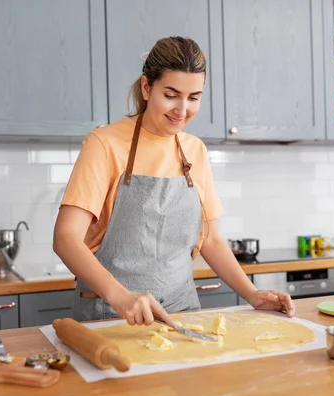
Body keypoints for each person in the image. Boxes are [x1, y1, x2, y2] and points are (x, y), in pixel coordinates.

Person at [53, 36, 295, 326]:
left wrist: (252, 294)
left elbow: (212, 240)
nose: (183, 110)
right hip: (112, 315)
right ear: (146, 88)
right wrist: (120, 297)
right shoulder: (104, 144)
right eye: (171, 95)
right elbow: (66, 238)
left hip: (183, 314)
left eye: (194, 97)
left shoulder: (195, 151)